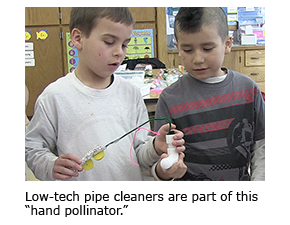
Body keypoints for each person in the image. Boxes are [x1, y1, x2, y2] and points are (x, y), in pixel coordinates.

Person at [25, 7, 187, 181]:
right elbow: (32, 148)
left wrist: (155, 146)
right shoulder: (54, 97)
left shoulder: (131, 94)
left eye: (125, 44)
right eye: (109, 42)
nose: (119, 52)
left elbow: (138, 155)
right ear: (78, 38)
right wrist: (50, 165)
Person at [154, 7, 265, 181]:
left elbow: (262, 146)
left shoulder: (248, 89)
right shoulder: (170, 98)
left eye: (207, 48)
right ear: (178, 48)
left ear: (227, 44)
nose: (198, 59)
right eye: (188, 50)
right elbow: (159, 157)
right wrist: (164, 171)